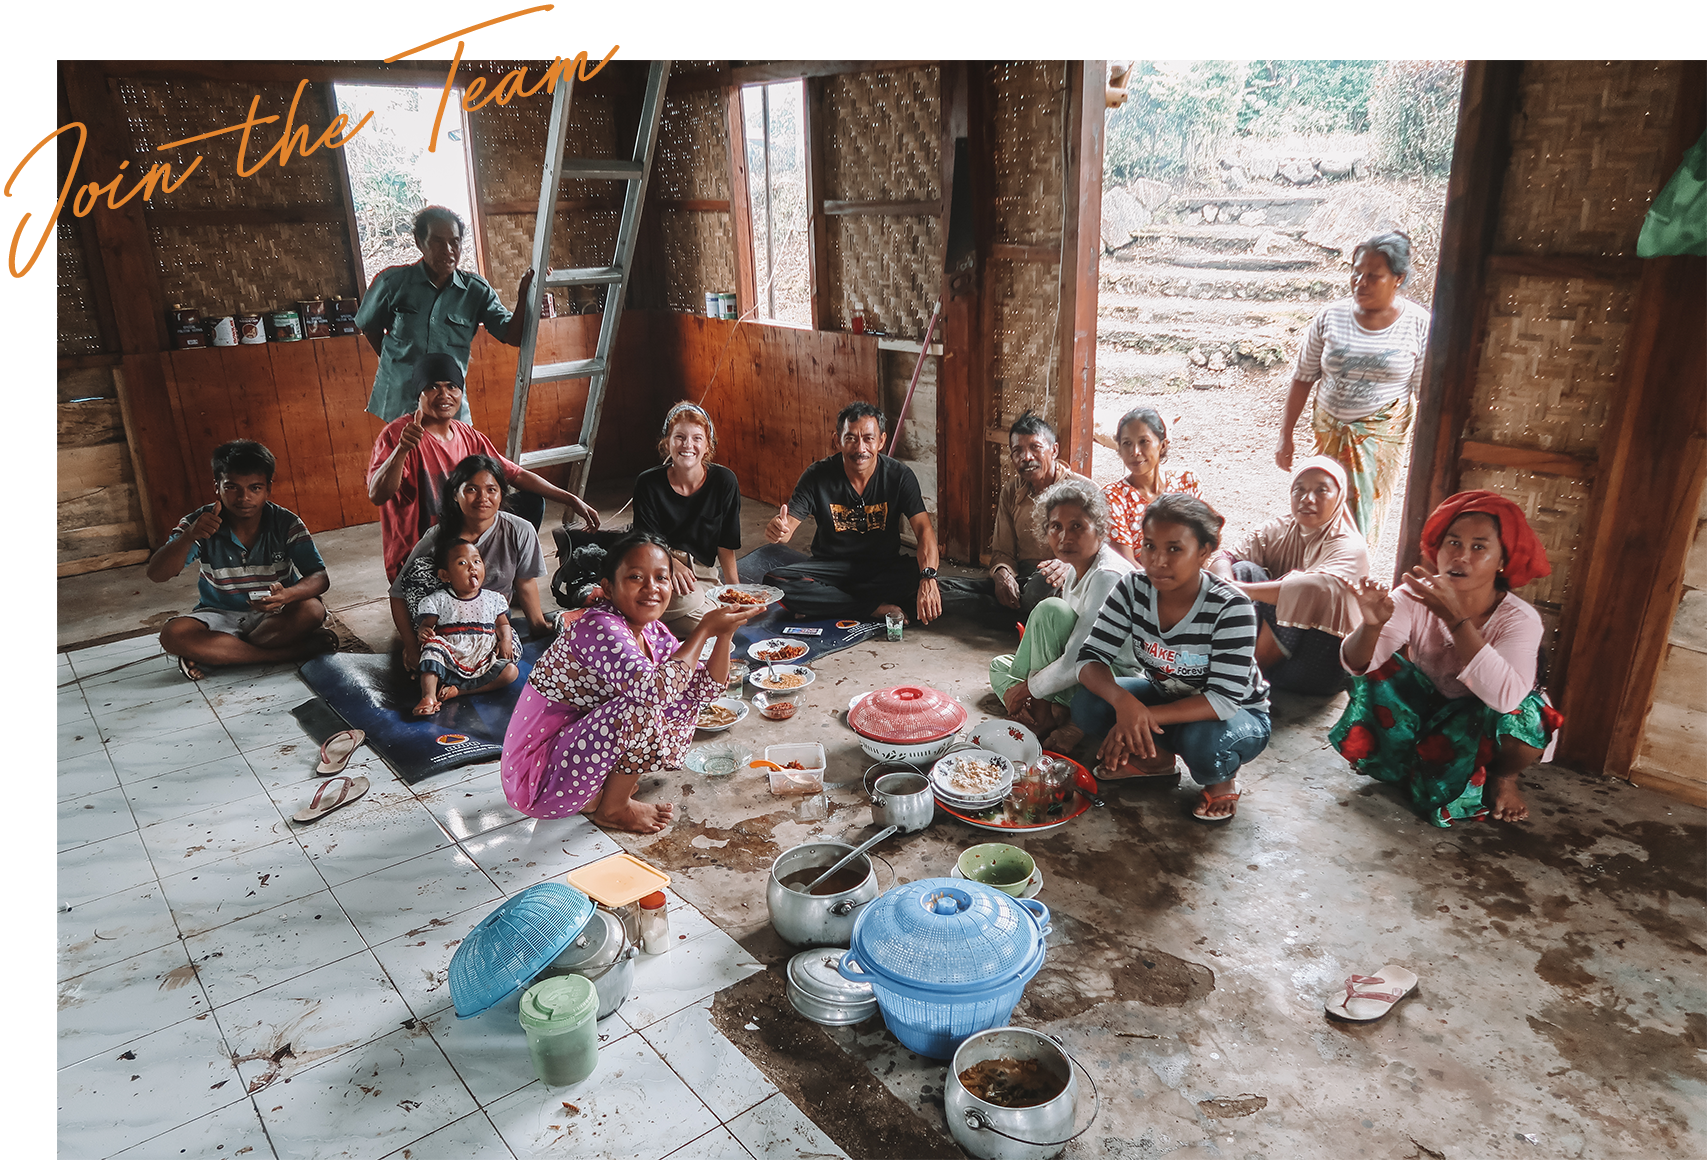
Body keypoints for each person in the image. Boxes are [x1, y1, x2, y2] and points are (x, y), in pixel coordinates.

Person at [500, 532, 766, 832]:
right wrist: (703, 630)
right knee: (643, 704)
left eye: (661, 578)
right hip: (536, 779)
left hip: (571, 756)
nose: (651, 588)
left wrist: (725, 635)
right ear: (608, 588)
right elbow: (654, 691)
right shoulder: (597, 626)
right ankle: (613, 809)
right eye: (636, 577)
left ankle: (599, 792)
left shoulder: (653, 631)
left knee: (677, 691)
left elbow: (703, 690)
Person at [1330, 490, 1562, 827]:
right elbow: (1356, 665)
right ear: (1437, 550)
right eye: (1453, 543)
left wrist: (1456, 622)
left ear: (1501, 561)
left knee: (1528, 715)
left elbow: (1507, 698)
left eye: (1479, 547)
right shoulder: (1412, 595)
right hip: (1428, 707)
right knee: (1377, 670)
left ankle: (1504, 777)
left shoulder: (1519, 619)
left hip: (1481, 717)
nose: (1461, 556)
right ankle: (1408, 757)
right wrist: (1371, 626)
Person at [1072, 494, 1271, 823]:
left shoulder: (1231, 607)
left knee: (1202, 740)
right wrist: (1124, 703)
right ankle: (1157, 760)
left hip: (1237, 713)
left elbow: (1223, 701)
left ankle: (1221, 779)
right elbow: (1089, 659)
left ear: (1204, 551)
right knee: (1087, 705)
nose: (1158, 561)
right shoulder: (1132, 588)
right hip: (1168, 698)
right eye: (1149, 546)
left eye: (1175, 549)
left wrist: (1140, 717)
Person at [368, 353, 600, 582]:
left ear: (461, 392)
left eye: (452, 386)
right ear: (418, 393)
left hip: (464, 543)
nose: (444, 395)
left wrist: (571, 499)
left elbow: (516, 475)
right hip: (423, 556)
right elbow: (377, 495)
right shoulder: (398, 434)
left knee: (530, 502)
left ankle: (507, 580)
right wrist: (402, 449)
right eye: (432, 387)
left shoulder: (467, 435)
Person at [1275, 231, 1430, 549]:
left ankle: (1354, 573)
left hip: (1380, 441)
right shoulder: (1331, 317)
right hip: (1329, 432)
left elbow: (1424, 394)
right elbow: (1303, 377)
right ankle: (1316, 572)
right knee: (1320, 506)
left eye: (1373, 276)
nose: (1360, 282)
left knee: (1362, 518)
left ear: (1398, 279)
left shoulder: (1418, 324)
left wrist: (1425, 454)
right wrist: (1285, 434)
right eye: (1356, 273)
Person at [148, 440, 336, 680]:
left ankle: (221, 654)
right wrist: (189, 537)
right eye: (231, 487)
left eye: (255, 488)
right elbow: (156, 574)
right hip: (219, 614)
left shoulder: (286, 523)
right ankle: (286, 653)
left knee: (311, 610)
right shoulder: (200, 523)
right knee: (173, 634)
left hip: (276, 614)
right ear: (217, 487)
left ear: (268, 488)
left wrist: (287, 595)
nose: (244, 497)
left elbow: (319, 577)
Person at [762, 402, 943, 625]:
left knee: (922, 574)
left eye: (868, 438)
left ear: (881, 441)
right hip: (831, 570)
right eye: (851, 438)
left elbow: (924, 530)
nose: (860, 449)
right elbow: (787, 527)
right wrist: (779, 530)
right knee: (777, 581)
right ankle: (874, 608)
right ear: (837, 440)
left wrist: (928, 577)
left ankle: (828, 603)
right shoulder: (817, 475)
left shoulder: (899, 476)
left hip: (880, 569)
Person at [989, 478, 1134, 753]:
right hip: (1078, 675)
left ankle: (1042, 716)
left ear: (1100, 530)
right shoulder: (1074, 569)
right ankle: (1058, 710)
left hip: (1112, 681)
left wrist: (1027, 689)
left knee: (1051, 610)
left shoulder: (1108, 575)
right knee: (998, 666)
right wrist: (1031, 684)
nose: (1065, 537)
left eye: (1077, 526)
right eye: (1056, 526)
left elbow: (1080, 657)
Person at [356, 206, 538, 425]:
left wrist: (525, 295)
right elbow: (369, 326)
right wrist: (395, 363)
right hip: (401, 402)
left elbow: (513, 336)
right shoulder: (392, 284)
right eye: (437, 242)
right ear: (419, 242)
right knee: (406, 448)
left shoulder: (476, 291)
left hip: (449, 406)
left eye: (455, 242)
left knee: (456, 448)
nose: (448, 250)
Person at [1209, 456, 1370, 696]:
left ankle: (1240, 677)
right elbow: (1224, 557)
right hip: (1277, 662)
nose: (1308, 499)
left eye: (1321, 490)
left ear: (1340, 496)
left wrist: (1244, 590)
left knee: (1295, 590)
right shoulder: (1279, 529)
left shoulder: (1351, 546)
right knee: (1243, 569)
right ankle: (1234, 667)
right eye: (1300, 489)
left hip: (1318, 666)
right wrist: (1229, 583)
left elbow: (1311, 589)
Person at [389, 456, 550, 674]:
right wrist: (410, 646)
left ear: (501, 494)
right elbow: (398, 593)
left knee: (505, 665)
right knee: (420, 571)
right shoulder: (437, 537)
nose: (483, 498)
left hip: (491, 622)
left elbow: (525, 583)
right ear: (456, 495)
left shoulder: (520, 530)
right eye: (472, 489)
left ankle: (460, 686)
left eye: (492, 490)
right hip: (448, 625)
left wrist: (539, 626)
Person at [631, 402, 742, 625]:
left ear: (708, 445)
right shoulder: (647, 483)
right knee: (702, 612)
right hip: (658, 568)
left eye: (697, 438)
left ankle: (643, 621)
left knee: (720, 611)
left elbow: (725, 544)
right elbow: (646, 544)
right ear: (667, 443)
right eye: (679, 437)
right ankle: (635, 613)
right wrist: (671, 564)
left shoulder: (724, 481)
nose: (688, 445)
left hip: (703, 573)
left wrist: (737, 592)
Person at [412, 539, 519, 717]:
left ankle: (458, 691)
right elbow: (426, 626)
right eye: (462, 563)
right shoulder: (439, 600)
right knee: (431, 649)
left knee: (511, 672)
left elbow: (503, 624)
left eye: (477, 561)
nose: (472, 567)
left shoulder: (493, 599)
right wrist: (423, 632)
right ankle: (428, 697)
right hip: (451, 654)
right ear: (445, 575)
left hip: (484, 654)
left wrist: (506, 640)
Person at [1103, 407, 1201, 567]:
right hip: (1141, 579)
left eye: (1144, 442)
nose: (1135, 451)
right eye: (1127, 443)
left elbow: (1200, 543)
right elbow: (1127, 563)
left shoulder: (1187, 481)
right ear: (1119, 449)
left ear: (1163, 445)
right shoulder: (1113, 497)